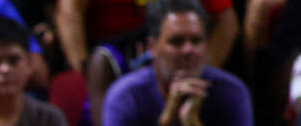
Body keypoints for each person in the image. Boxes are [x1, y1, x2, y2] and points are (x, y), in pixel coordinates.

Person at [102, 0, 257, 126]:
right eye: (176, 42)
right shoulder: (125, 96)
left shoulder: (232, 92)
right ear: (153, 47)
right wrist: (166, 122)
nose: (188, 50)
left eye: (196, 41)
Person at [54, 0, 238, 72]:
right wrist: (81, 71)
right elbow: (69, 13)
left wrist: (204, 70)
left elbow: (227, 23)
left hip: (175, 58)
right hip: (111, 63)